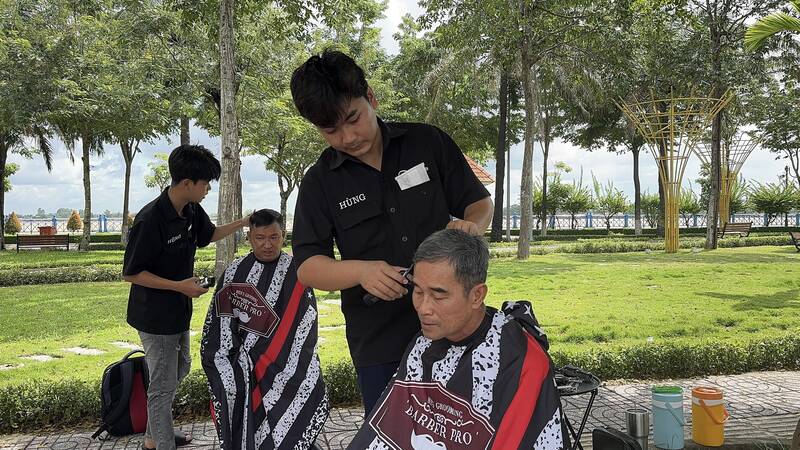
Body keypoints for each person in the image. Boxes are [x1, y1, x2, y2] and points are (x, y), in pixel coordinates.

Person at [290, 49, 494, 415]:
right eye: (330, 130)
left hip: (457, 327)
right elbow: (308, 265)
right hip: (379, 342)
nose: (348, 137)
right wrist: (361, 272)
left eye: (353, 118)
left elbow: (479, 203)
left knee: (469, 427)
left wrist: (471, 227)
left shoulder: (427, 143)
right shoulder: (319, 182)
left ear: (371, 98)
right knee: (394, 433)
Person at [348, 229, 565, 450]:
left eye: (438, 295)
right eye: (418, 292)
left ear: (477, 295)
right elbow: (388, 434)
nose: (423, 309)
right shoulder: (423, 344)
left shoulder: (519, 362)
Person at [122, 144, 249, 450]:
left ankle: (155, 434)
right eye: (205, 183)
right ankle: (159, 444)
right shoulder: (151, 219)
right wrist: (181, 286)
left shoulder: (190, 209)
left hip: (179, 310)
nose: (208, 189)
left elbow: (208, 235)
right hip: (154, 316)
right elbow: (131, 273)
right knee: (162, 388)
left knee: (179, 369)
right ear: (187, 183)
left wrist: (243, 223)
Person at [200, 209, 328, 450]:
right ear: (249, 237)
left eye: (274, 237)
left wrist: (284, 359)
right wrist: (239, 362)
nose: (267, 244)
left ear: (284, 236)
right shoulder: (234, 273)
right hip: (244, 363)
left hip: (289, 361)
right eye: (260, 238)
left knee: (307, 383)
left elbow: (306, 325)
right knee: (234, 386)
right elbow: (220, 328)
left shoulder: (298, 271)